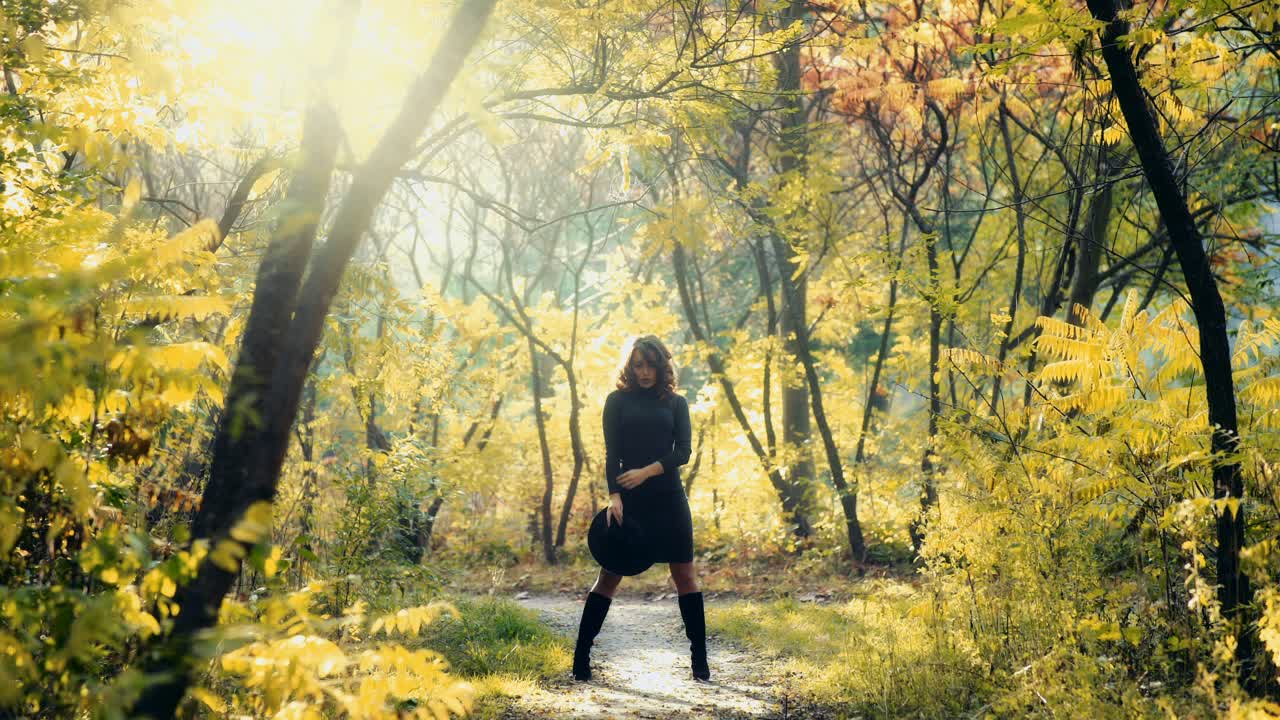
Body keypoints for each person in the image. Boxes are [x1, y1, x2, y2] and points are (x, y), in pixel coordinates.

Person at [572, 334, 709, 682]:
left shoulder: (676, 403)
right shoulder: (617, 401)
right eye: (638, 365)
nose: (644, 372)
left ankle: (700, 660)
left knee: (685, 576)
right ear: (630, 367)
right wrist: (614, 495)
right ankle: (581, 657)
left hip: (669, 499)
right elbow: (611, 454)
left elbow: (683, 453)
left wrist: (647, 472)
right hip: (628, 503)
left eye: (650, 365)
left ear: (662, 366)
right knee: (608, 576)